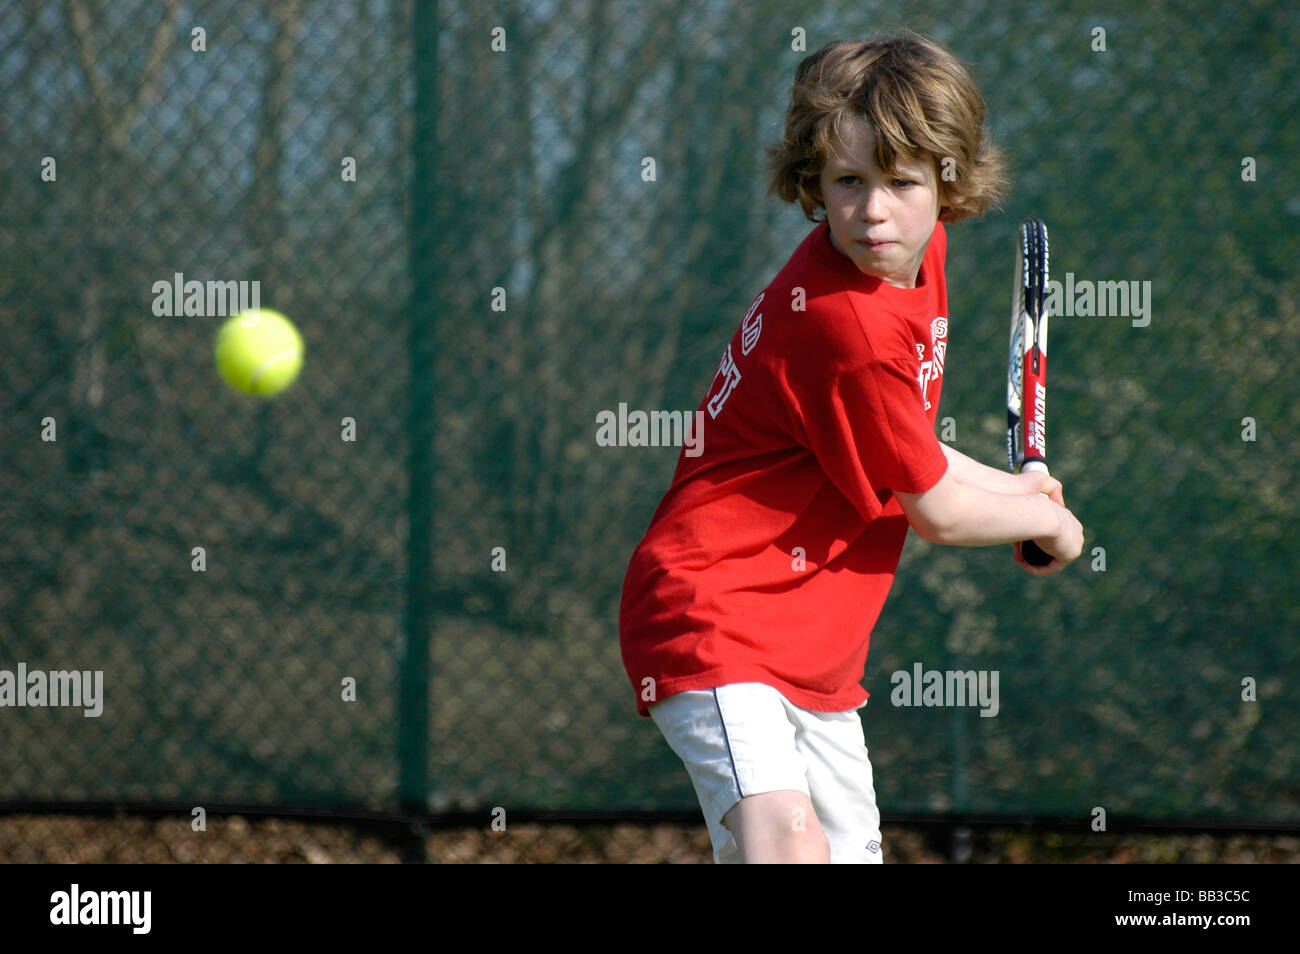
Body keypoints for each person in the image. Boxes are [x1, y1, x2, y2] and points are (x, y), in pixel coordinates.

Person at [619, 34, 1084, 864]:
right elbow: (935, 507)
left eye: (902, 182)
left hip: (817, 645)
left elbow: (916, 452)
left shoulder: (916, 259)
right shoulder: (847, 325)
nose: (873, 211)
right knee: (788, 842)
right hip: (715, 610)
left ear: (948, 183)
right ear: (813, 185)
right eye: (847, 182)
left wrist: (1029, 501)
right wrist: (1055, 526)